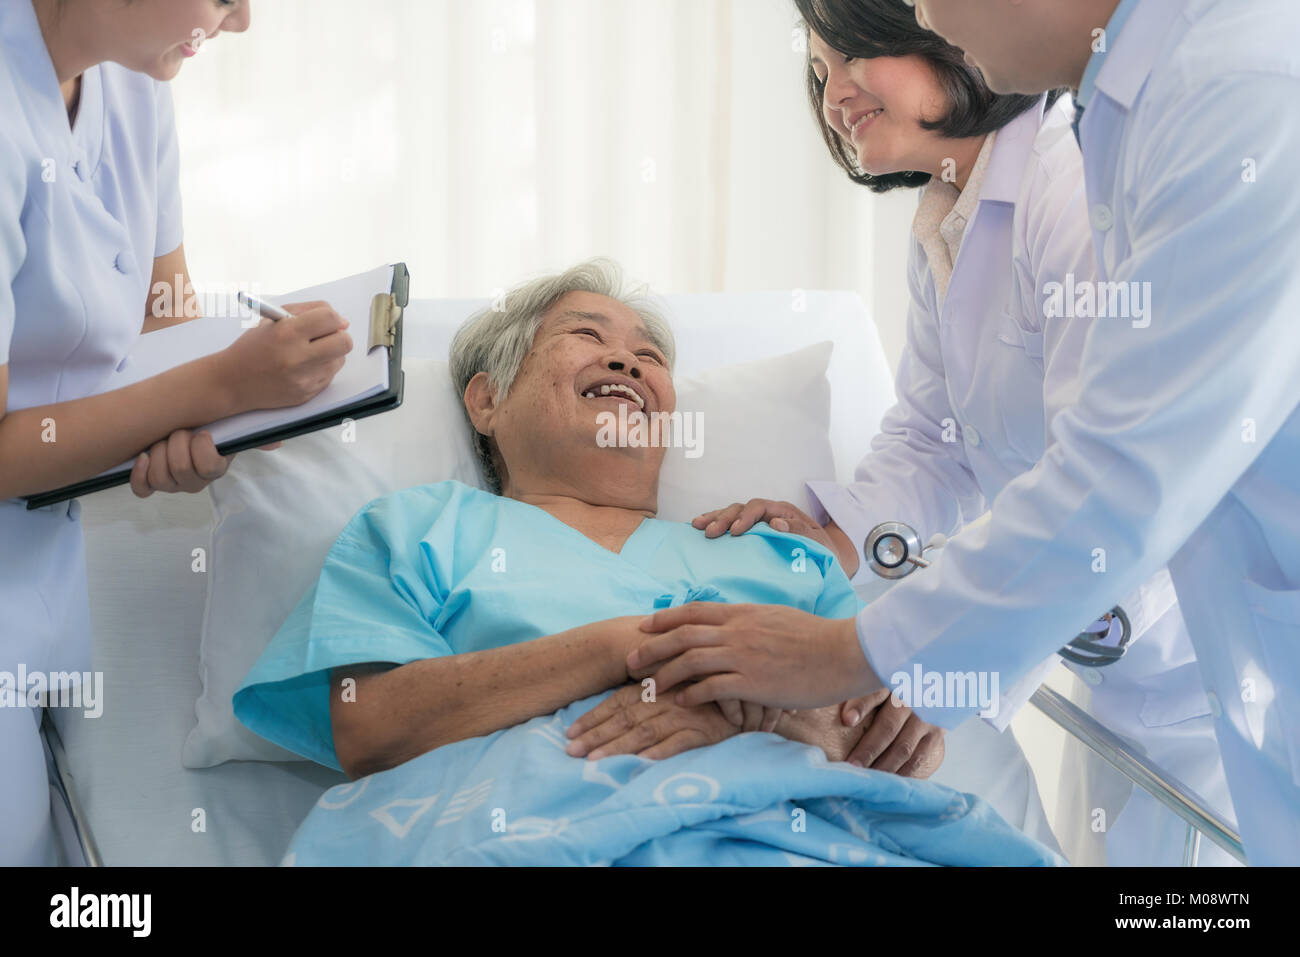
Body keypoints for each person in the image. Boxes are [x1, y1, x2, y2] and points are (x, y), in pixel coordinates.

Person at [630, 0, 1300, 865]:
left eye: (857, 53)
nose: (834, 95)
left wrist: (880, 658)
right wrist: (837, 540)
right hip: (1153, 675)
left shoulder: (1120, 143)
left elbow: (1118, 471)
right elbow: (932, 437)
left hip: (1173, 644)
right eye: (819, 70)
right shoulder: (966, 208)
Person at [232, 260, 945, 782]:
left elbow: (891, 744)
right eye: (586, 335)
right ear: (486, 402)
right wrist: (628, 648)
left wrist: (737, 717)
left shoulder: (784, 558)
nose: (625, 363)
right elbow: (368, 725)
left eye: (648, 357)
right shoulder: (422, 529)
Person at [0, 0, 353, 865]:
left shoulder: (135, 81)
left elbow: (164, 329)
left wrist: (237, 408)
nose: (239, 23)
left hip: (34, 599)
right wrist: (221, 382)